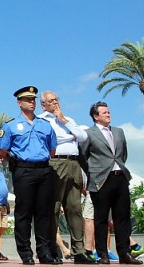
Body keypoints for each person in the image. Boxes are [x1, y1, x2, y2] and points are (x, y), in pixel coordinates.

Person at [0, 86, 58, 265]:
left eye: (33, 99)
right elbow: (2, 151)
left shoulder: (45, 125)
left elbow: (52, 149)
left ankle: (44, 252)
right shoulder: (10, 126)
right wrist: (17, 163)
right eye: (27, 99)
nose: (31, 102)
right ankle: (25, 253)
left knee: (43, 213)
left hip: (44, 170)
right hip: (23, 171)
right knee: (23, 213)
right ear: (19, 103)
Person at [79, 102, 142, 265]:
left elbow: (123, 154)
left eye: (108, 112)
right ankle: (102, 254)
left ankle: (124, 254)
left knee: (122, 218)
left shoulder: (119, 132)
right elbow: (82, 156)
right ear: (95, 116)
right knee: (101, 218)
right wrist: (93, 172)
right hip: (100, 180)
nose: (108, 114)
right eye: (104, 112)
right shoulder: (89, 134)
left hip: (120, 177)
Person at [38, 91, 96, 264]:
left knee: (74, 208)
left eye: (57, 99)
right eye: (51, 101)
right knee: (54, 207)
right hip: (55, 163)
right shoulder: (42, 120)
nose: (55, 103)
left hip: (74, 164)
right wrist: (70, 136)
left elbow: (84, 136)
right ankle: (52, 250)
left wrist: (64, 120)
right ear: (44, 105)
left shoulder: (68, 119)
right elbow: (52, 141)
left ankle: (78, 251)